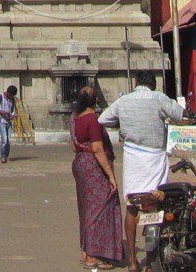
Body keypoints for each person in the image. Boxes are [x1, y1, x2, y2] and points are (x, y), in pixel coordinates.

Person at [98, 74, 189, 272]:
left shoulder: (124, 100)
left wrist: (122, 125)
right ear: (153, 85)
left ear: (136, 84)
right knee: (157, 203)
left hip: (133, 159)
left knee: (132, 206)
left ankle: (132, 261)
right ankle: (152, 259)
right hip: (155, 158)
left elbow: (102, 119)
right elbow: (180, 114)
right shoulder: (159, 98)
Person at [71, 85, 125, 269]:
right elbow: (97, 149)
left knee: (86, 208)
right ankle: (93, 257)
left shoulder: (75, 118)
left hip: (80, 164)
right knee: (100, 208)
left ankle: (85, 251)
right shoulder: (92, 119)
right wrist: (111, 175)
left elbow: (74, 146)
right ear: (95, 101)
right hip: (94, 167)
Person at [0, 85, 18, 164]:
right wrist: (1, 112)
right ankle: (3, 157)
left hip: (8, 122)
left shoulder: (12, 100)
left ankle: (6, 155)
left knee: (8, 140)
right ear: (8, 93)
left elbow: (13, 110)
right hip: (1, 121)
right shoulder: (0, 97)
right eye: (11, 95)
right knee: (4, 140)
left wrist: (13, 116)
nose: (11, 97)